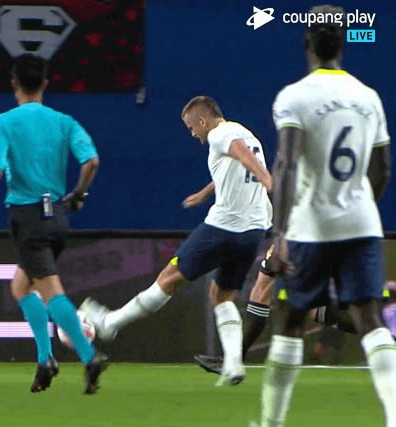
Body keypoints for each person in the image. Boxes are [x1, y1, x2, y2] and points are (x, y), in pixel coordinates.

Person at [252, 5, 393, 426]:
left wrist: (279, 233)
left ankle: (272, 423)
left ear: (307, 43)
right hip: (362, 224)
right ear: (344, 44)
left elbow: (286, 165)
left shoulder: (294, 96)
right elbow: (382, 171)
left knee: (294, 319)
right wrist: (359, 206)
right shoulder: (369, 97)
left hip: (311, 228)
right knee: (370, 319)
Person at [80, 96, 273, 387]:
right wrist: (205, 193)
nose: (192, 133)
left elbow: (240, 153)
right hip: (254, 231)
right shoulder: (248, 134)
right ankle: (234, 364)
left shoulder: (220, 134)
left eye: (192, 127)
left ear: (204, 121)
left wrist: (266, 178)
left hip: (224, 227)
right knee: (221, 296)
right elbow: (238, 162)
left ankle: (111, 323)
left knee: (168, 278)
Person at [0, 53, 106, 395]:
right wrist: (78, 194)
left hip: (28, 216)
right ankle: (45, 360)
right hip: (58, 217)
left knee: (50, 292)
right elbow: (91, 161)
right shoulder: (64, 121)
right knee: (21, 287)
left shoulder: (4, 122)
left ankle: (89, 356)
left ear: (14, 84)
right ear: (45, 84)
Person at [192, 243, 358, 375]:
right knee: (311, 307)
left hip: (301, 238)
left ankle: (233, 360)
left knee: (263, 291)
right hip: (303, 237)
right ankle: (371, 330)